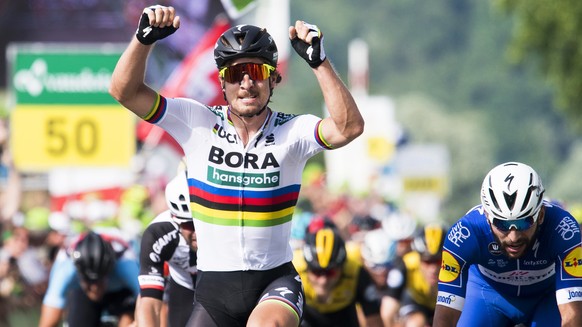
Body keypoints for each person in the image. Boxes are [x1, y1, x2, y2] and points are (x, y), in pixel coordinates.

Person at [109, 5, 364, 327]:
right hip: (215, 289)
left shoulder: (293, 132)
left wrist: (319, 62)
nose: (246, 83)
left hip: (275, 283)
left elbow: (349, 127)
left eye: (257, 72)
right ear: (222, 82)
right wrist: (143, 41)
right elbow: (123, 91)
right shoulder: (195, 120)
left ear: (273, 81)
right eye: (235, 74)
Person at [433, 162, 582, 326]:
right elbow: (445, 317)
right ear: (488, 217)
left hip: (547, 297)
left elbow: (572, 314)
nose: (513, 237)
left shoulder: (564, 230)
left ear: (540, 215)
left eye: (524, 223)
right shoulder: (464, 234)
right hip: (486, 294)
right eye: (502, 224)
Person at [38, 230, 140, 327]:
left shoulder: (127, 266)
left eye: (99, 280)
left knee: (130, 319)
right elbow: (50, 315)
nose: (95, 288)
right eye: (89, 281)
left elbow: (148, 302)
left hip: (122, 290)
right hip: (81, 292)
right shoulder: (66, 268)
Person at [136, 171, 198, 327]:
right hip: (185, 286)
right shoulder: (158, 233)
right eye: (189, 224)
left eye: (200, 223)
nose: (197, 232)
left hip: (221, 285)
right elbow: (149, 301)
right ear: (175, 219)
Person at [293, 225, 383, 327]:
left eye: (330, 273)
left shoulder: (355, 271)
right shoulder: (294, 269)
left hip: (343, 317)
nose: (323, 281)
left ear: (342, 268)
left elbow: (374, 319)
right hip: (307, 316)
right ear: (307, 268)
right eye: (317, 273)